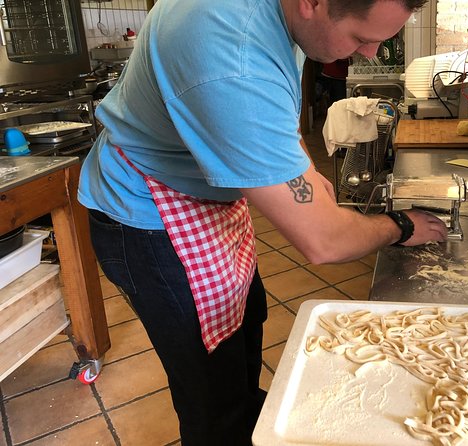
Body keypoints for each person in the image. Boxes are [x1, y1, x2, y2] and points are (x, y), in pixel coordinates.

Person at [77, 0, 445, 444]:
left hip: (204, 203)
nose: (368, 53)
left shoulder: (281, 16)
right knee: (214, 396)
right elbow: (324, 242)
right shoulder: (230, 54)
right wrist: (400, 226)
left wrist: (304, 172)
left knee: (244, 335)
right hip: (152, 217)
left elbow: (277, 115)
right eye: (361, 38)